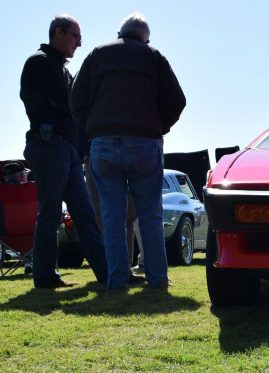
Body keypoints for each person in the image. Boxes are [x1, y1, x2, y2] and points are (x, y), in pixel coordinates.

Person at [71, 12, 186, 290]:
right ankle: (157, 279)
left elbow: (75, 99)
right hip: (145, 143)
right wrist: (158, 127)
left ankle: (117, 280)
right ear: (145, 37)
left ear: (120, 32)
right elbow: (177, 101)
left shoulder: (97, 54)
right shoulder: (153, 56)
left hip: (103, 143)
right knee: (150, 214)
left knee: (111, 216)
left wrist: (93, 128)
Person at [19, 14, 108, 289]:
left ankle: (107, 274)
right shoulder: (40, 62)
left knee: (84, 213)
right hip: (49, 146)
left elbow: (72, 107)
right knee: (50, 213)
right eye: (76, 37)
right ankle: (44, 277)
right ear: (58, 32)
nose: (79, 44)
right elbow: (68, 103)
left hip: (64, 149)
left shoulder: (60, 67)